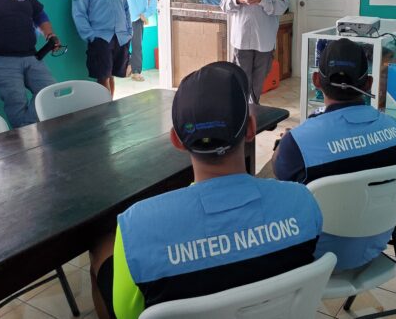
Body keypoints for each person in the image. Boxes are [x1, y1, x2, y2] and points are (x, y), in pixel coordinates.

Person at [88, 61, 322, 319]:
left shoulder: (135, 229)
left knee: (101, 249)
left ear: (177, 140)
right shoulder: (303, 202)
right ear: (251, 129)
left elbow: (127, 314)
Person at [272, 38, 396, 271]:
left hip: (314, 257)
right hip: (375, 245)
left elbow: (280, 178)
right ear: (368, 83)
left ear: (316, 80)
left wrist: (284, 143)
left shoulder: (298, 144)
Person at [221, 0, 288, 104]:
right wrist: (237, 0)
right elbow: (223, 5)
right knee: (241, 78)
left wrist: (262, 0)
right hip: (241, 41)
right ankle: (242, 109)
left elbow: (282, 7)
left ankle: (253, 107)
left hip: (264, 42)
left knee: (258, 80)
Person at [72, 0, 132, 96]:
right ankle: (105, 109)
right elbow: (79, 13)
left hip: (120, 37)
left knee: (111, 75)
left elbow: (125, 8)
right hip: (101, 38)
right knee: (103, 76)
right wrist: (91, 36)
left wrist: (129, 31)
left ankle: (111, 105)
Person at [116, 0, 157, 82]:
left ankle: (136, 71)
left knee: (136, 45)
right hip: (121, 18)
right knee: (121, 44)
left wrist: (147, 14)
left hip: (136, 18)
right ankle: (125, 67)